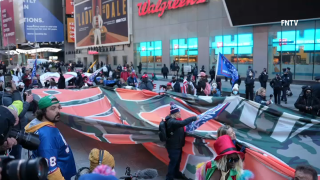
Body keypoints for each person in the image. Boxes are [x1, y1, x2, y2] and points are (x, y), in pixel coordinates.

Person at [25, 95, 77, 180]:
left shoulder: (43, 125)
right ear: (42, 111)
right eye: (53, 108)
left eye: (58, 107)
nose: (58, 111)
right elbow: (51, 171)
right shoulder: (47, 134)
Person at [165, 102, 198, 180]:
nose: (180, 114)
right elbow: (182, 123)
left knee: (177, 161)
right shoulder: (172, 122)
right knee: (173, 162)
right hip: (173, 146)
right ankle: (169, 177)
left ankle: (176, 174)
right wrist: (194, 118)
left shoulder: (175, 120)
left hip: (177, 145)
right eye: (178, 113)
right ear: (175, 114)